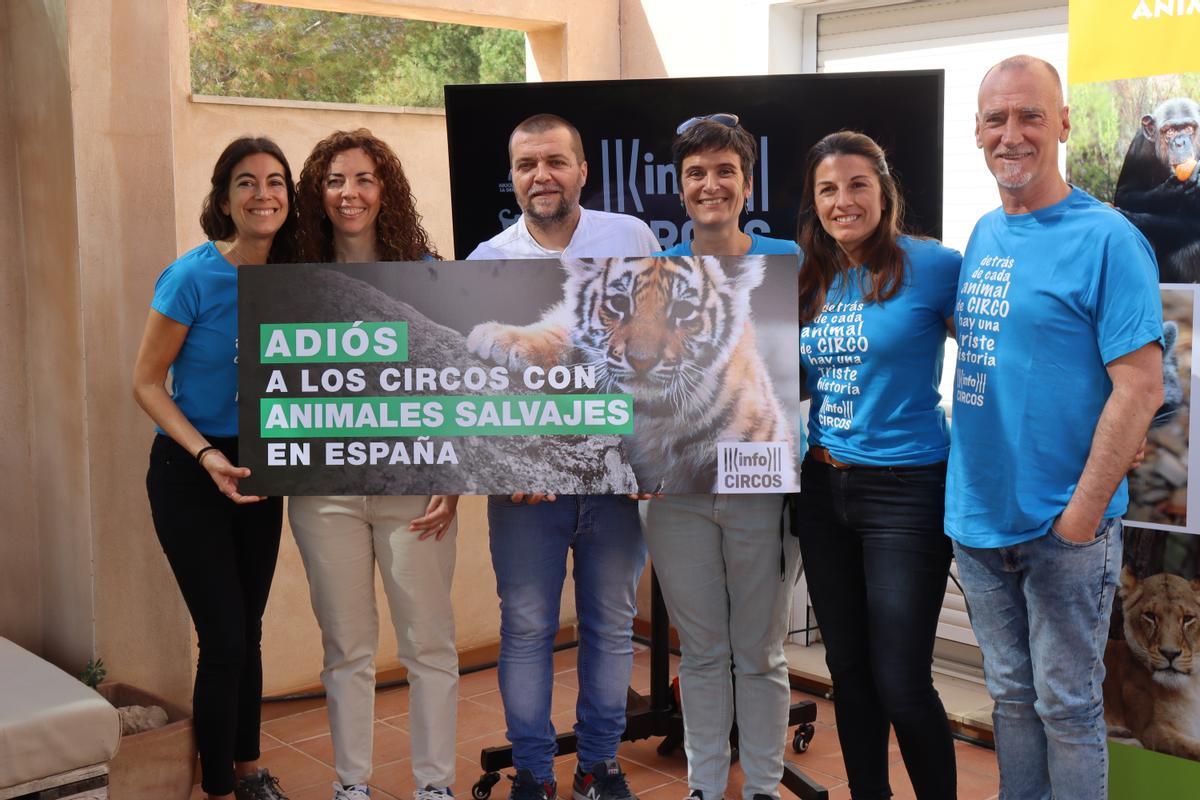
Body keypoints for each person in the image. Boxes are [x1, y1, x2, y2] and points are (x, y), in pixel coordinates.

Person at [946, 56, 1164, 800]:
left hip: (1064, 530)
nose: (1012, 133)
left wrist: (1079, 517)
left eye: (1030, 115)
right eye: (996, 119)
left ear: (1064, 122)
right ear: (977, 130)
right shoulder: (981, 234)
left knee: (1068, 709)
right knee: (1011, 700)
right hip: (979, 526)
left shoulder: (1109, 239)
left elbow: (1140, 384)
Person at [466, 113, 659, 800]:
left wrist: (650, 459)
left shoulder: (630, 237)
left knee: (610, 626)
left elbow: (652, 352)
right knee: (525, 630)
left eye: (554, 162)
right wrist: (506, 462)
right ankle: (536, 776)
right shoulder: (488, 261)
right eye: (526, 165)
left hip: (614, 483)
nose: (540, 176)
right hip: (526, 495)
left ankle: (600, 769)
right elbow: (481, 392)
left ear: (581, 170)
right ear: (513, 178)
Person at [289, 129, 460, 800]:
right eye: (334, 181)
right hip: (324, 493)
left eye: (363, 179)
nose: (349, 193)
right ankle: (351, 786)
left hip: (415, 490)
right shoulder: (292, 277)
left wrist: (453, 481)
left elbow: (454, 383)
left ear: (384, 188)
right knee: (347, 650)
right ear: (318, 193)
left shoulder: (426, 274)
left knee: (429, 646)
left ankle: (435, 786)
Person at [795, 131, 962, 799]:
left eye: (858, 185)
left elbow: (1000, 354)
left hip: (907, 491)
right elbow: (785, 380)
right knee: (850, 672)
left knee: (900, 679)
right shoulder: (812, 278)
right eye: (828, 190)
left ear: (884, 192)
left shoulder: (936, 266)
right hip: (822, 485)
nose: (844, 201)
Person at [133, 136, 298, 800]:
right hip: (191, 470)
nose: (264, 195)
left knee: (248, 629)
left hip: (261, 465)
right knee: (224, 634)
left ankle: (250, 768)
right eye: (247, 182)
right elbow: (145, 383)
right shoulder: (192, 276)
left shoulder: (295, 275)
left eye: (276, 181)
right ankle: (219, 788)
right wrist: (205, 455)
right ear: (223, 198)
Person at [643, 113, 801, 800]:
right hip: (675, 495)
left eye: (724, 172)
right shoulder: (650, 273)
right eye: (697, 174)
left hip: (761, 490)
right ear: (681, 190)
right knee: (703, 653)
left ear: (747, 182)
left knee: (760, 654)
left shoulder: (791, 262)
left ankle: (762, 787)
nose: (711, 185)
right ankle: (705, 787)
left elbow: (820, 365)